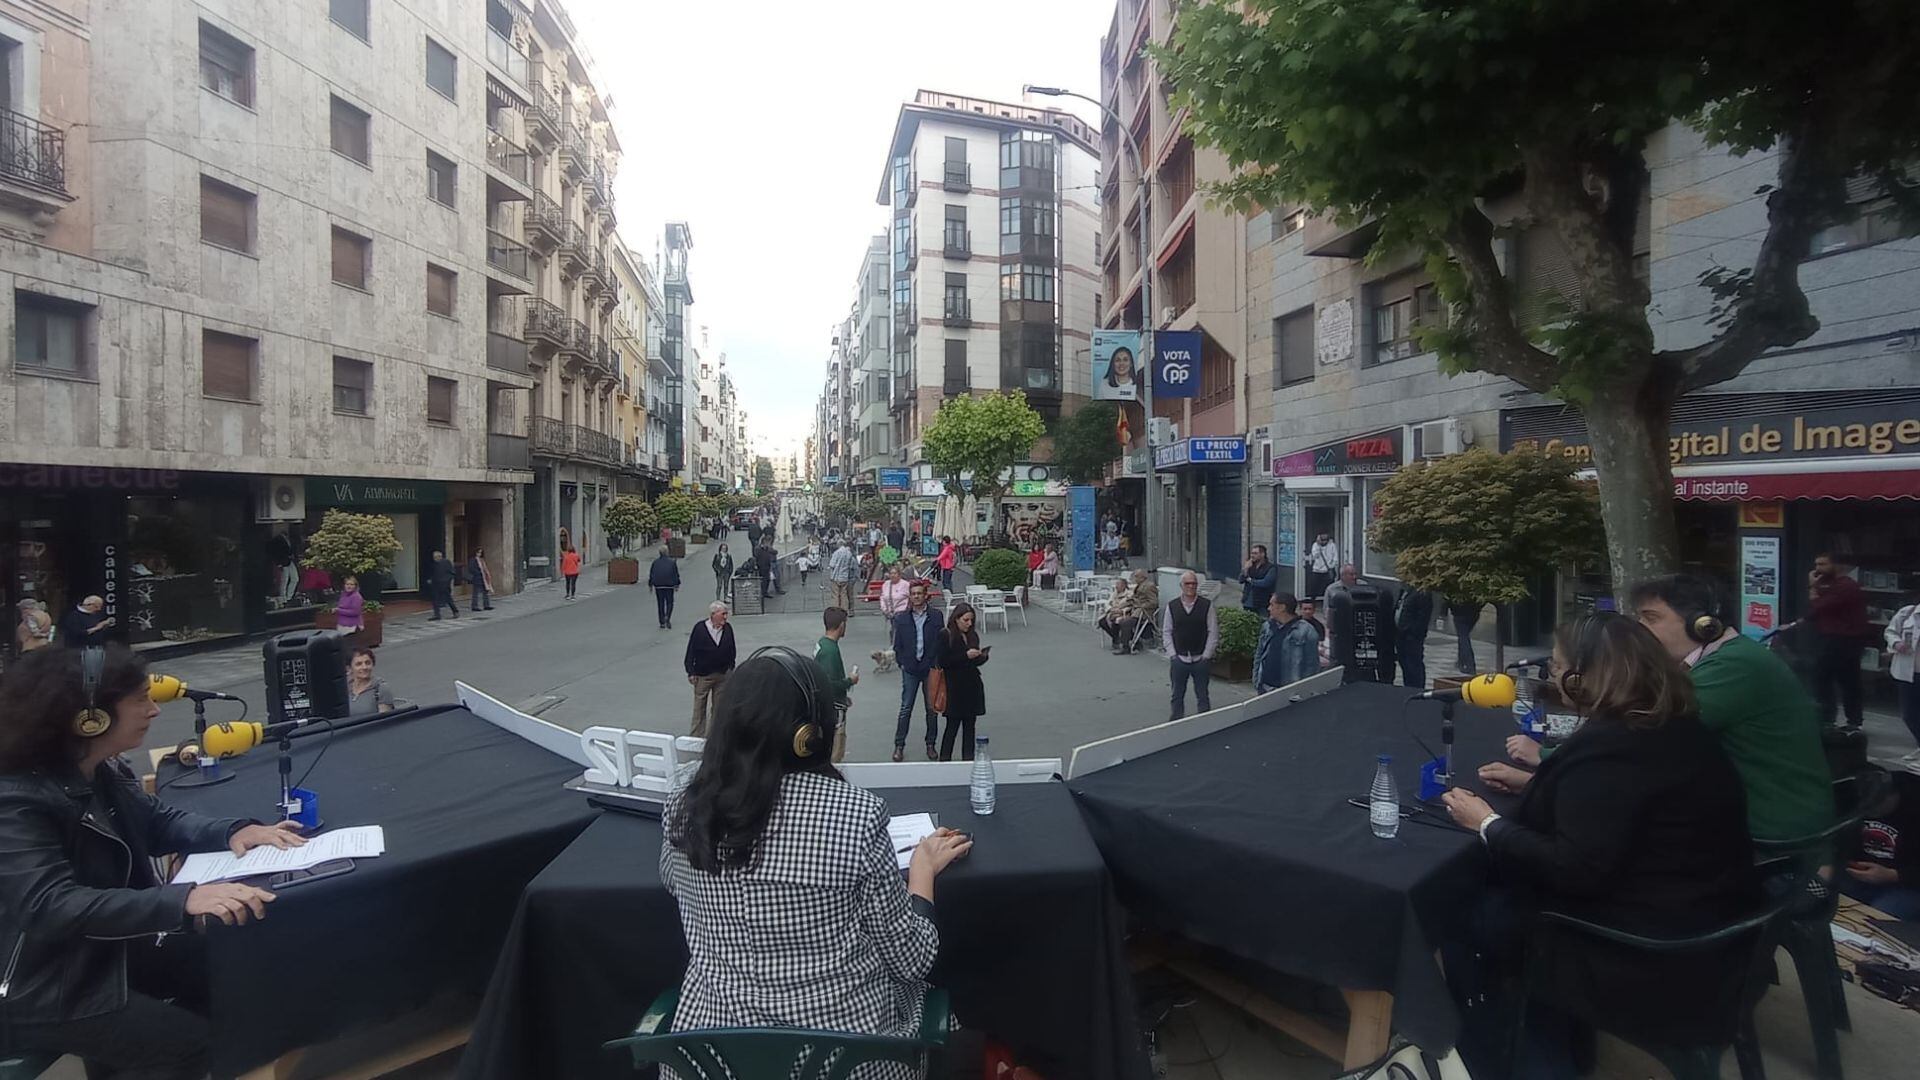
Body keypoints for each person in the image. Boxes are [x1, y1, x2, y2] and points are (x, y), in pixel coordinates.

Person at [1442, 612, 1759, 1078]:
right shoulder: (1673, 728)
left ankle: (1514, 1058)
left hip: (1651, 953)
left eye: (1555, 666)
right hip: (1711, 926)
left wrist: (1487, 822)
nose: (1552, 675)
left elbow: (1574, 867)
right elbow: (1623, 811)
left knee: (1465, 915)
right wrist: (1536, 783)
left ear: (1583, 676)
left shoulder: (1612, 747)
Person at [0, 645, 306, 1079]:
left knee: (235, 970)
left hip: (108, 950)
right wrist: (182, 901)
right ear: (91, 717)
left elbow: (157, 821)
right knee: (187, 1047)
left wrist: (235, 831)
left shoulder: (98, 767)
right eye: (139, 700)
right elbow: (50, 905)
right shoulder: (15, 798)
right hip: (44, 985)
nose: (154, 711)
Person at [661, 651, 972, 1061]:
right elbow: (912, 958)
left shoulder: (683, 808)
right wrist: (922, 871)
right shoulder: (855, 815)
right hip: (843, 1059)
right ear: (808, 734)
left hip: (718, 1057)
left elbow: (674, 883)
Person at [1585, 574, 1830, 844]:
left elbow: (1645, 734)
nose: (1639, 629)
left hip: (1773, 841)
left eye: (1651, 618)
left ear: (1702, 625)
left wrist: (1549, 756)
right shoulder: (1725, 658)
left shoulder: (1734, 665)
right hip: (1753, 825)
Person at [1840, 769, 1920, 920]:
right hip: (1859, 875)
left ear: (1893, 796)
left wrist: (1894, 876)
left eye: (1876, 807)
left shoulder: (1914, 809)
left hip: (1907, 884)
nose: (1872, 812)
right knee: (1826, 901)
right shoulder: (1852, 799)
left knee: (1877, 917)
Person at [1808, 553, 1871, 729]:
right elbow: (1817, 612)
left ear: (1837, 566)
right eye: (1816, 564)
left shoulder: (1846, 586)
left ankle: (1847, 720)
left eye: (1822, 564)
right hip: (1829, 636)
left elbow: (1821, 605)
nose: (1817, 569)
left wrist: (1812, 588)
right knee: (1826, 678)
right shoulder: (1829, 584)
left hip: (1845, 638)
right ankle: (1831, 718)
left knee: (1841, 679)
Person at [890, 581, 944, 763]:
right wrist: (902, 663)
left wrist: (936, 663)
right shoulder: (901, 618)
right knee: (906, 708)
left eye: (919, 593)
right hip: (910, 669)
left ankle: (931, 744)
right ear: (910, 597)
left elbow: (941, 642)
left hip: (929, 668)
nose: (916, 596)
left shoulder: (936, 616)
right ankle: (899, 745)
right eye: (913, 594)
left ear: (925, 595)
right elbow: (897, 645)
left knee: (931, 709)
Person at [1161, 570, 1218, 720]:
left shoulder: (1206, 605)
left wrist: (1206, 655)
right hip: (1179, 658)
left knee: (1203, 695)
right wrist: (1172, 655)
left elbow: (1213, 631)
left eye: (1194, 583)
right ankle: (1176, 724)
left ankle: (1205, 724)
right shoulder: (1172, 606)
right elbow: (1167, 631)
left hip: (1200, 659)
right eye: (1187, 583)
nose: (1191, 586)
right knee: (1177, 695)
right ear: (1181, 585)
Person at [937, 603, 990, 761]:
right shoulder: (945, 635)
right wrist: (966, 656)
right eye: (966, 620)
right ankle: (945, 760)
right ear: (956, 619)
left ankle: (968, 761)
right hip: (954, 687)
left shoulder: (973, 635)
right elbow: (943, 661)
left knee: (970, 727)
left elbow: (973, 662)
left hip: (972, 685)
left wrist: (982, 657)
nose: (969, 623)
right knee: (952, 727)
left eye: (971, 620)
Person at [814, 607, 859, 763]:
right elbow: (831, 684)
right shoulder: (830, 651)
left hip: (827, 705)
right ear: (841, 625)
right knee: (836, 749)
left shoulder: (822, 644)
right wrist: (850, 681)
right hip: (834, 710)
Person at [684, 602, 736, 738]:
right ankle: (696, 737)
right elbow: (691, 651)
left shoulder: (728, 629)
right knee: (699, 708)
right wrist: (691, 671)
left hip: (722, 674)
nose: (726, 617)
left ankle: (715, 736)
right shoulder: (700, 629)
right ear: (713, 614)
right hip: (703, 675)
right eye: (723, 614)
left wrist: (731, 667)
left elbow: (732, 649)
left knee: (719, 708)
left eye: (726, 614)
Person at [1254, 592, 1320, 692]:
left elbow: (1312, 666)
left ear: (1282, 607)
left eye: (1272, 605)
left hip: (1289, 690)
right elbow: (1259, 654)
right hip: (1265, 687)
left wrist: (1303, 690)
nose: (1268, 608)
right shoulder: (1267, 626)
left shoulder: (1306, 631)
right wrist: (1256, 680)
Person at [1887, 596, 1920, 761]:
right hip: (1907, 671)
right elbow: (1890, 631)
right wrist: (1896, 643)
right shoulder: (1907, 612)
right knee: (1909, 714)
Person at [1396, 585, 1434, 689]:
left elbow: (1423, 617)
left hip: (1412, 637)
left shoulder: (1422, 592)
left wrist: (1411, 631)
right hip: (1401, 635)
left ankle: (1416, 689)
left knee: (1413, 664)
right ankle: (1408, 687)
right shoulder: (1406, 590)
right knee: (1404, 663)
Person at [345, 646, 395, 717]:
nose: (364, 667)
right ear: (349, 668)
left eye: (368, 663)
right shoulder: (344, 688)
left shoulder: (381, 688)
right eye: (359, 664)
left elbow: (384, 721)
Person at [1123, 569, 1159, 653]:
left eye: (1136, 576)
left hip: (1143, 612)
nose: (1135, 578)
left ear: (1143, 577)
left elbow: (1154, 602)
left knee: (1126, 623)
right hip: (1135, 610)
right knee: (1118, 619)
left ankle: (1126, 646)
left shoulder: (1149, 586)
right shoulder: (1139, 585)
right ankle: (1128, 642)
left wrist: (1141, 606)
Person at [1097, 578, 1134, 653]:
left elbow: (1131, 605)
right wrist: (1110, 609)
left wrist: (1121, 610)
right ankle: (1116, 638)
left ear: (1124, 586)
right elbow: (1108, 603)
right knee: (1102, 622)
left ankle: (1116, 640)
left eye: (1118, 584)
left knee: (1116, 621)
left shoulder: (1129, 594)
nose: (1116, 586)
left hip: (1123, 613)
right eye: (1116, 584)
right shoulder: (1114, 593)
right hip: (1112, 611)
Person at [648, 546, 682, 630]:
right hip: (669, 585)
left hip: (659, 585)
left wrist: (651, 584)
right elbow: (675, 574)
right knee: (669, 602)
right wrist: (677, 584)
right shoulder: (672, 562)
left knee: (660, 603)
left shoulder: (655, 562)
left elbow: (652, 574)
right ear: (667, 552)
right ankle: (667, 616)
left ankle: (662, 621)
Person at [1448, 596, 1483, 674]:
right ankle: (1461, 661)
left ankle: (1470, 665)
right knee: (1463, 637)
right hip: (1473, 612)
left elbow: (1447, 596)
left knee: (1463, 638)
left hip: (1459, 612)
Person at [1306, 532, 1339, 599]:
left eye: (1326, 540)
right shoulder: (1315, 545)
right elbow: (1315, 555)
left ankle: (1327, 600)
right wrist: (1318, 545)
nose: (1324, 542)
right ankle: (1313, 600)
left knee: (1328, 587)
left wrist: (1330, 566)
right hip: (1317, 570)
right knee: (1314, 587)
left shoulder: (1332, 545)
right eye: (1322, 540)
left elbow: (1335, 558)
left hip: (1328, 570)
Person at [427, 551, 460, 620]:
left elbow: (452, 573)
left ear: (440, 556)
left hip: (445, 584)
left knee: (448, 599)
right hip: (436, 584)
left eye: (436, 557)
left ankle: (455, 611)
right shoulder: (434, 564)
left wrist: (447, 581)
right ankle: (437, 615)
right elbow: (433, 573)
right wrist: (430, 579)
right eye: (434, 557)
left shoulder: (447, 562)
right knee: (435, 599)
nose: (435, 559)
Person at [828, 539, 859, 611]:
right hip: (845, 577)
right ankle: (844, 610)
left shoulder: (836, 553)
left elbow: (832, 565)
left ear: (839, 544)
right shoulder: (849, 553)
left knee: (835, 595)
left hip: (836, 577)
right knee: (844, 595)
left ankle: (836, 610)